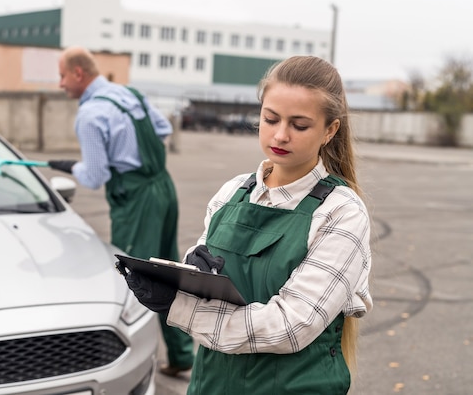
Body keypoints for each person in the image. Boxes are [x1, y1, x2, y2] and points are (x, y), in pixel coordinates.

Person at [121, 55, 373, 394]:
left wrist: (179, 307)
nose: (280, 135)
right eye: (270, 119)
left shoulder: (341, 212)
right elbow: (202, 282)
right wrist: (186, 276)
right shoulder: (232, 193)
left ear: (330, 130)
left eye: (299, 126)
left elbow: (290, 326)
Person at [50, 46, 194, 376]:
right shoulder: (128, 93)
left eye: (61, 76)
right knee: (168, 271)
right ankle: (182, 355)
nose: (60, 84)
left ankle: (130, 363)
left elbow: (96, 175)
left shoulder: (89, 116)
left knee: (134, 280)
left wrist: (72, 166)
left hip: (136, 199)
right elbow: (163, 130)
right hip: (163, 187)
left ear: (77, 73)